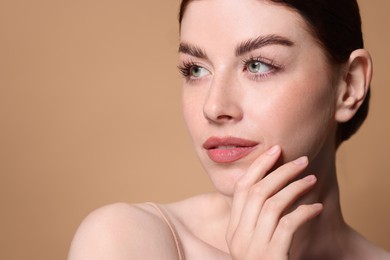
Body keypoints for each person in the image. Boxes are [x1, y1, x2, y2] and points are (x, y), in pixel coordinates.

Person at [68, 0, 390, 259]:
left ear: (349, 85)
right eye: (196, 69)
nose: (214, 106)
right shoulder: (123, 242)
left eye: (257, 65)